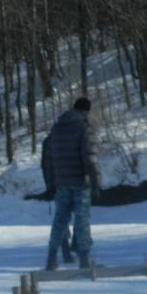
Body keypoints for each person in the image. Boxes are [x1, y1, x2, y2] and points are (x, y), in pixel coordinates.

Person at [43, 97, 102, 270]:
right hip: (80, 182)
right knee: (82, 219)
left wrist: (50, 183)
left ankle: (51, 259)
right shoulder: (84, 128)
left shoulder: (56, 129)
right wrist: (96, 181)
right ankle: (85, 260)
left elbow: (48, 159)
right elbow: (90, 158)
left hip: (61, 182)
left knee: (60, 219)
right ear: (86, 111)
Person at [39, 137, 75, 266]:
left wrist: (49, 186)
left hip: (57, 184)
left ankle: (66, 249)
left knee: (61, 218)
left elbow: (45, 166)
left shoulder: (50, 141)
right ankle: (69, 249)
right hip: (72, 183)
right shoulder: (72, 138)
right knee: (77, 216)